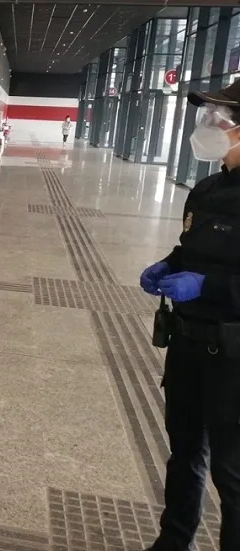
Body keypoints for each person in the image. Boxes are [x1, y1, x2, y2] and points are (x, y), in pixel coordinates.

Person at [139, 79, 240, 551]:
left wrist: (211, 286)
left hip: (234, 358)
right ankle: (173, 542)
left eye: (221, 117)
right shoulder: (207, 187)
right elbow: (191, 248)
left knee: (232, 472)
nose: (210, 124)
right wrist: (171, 265)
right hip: (189, 344)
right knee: (184, 454)